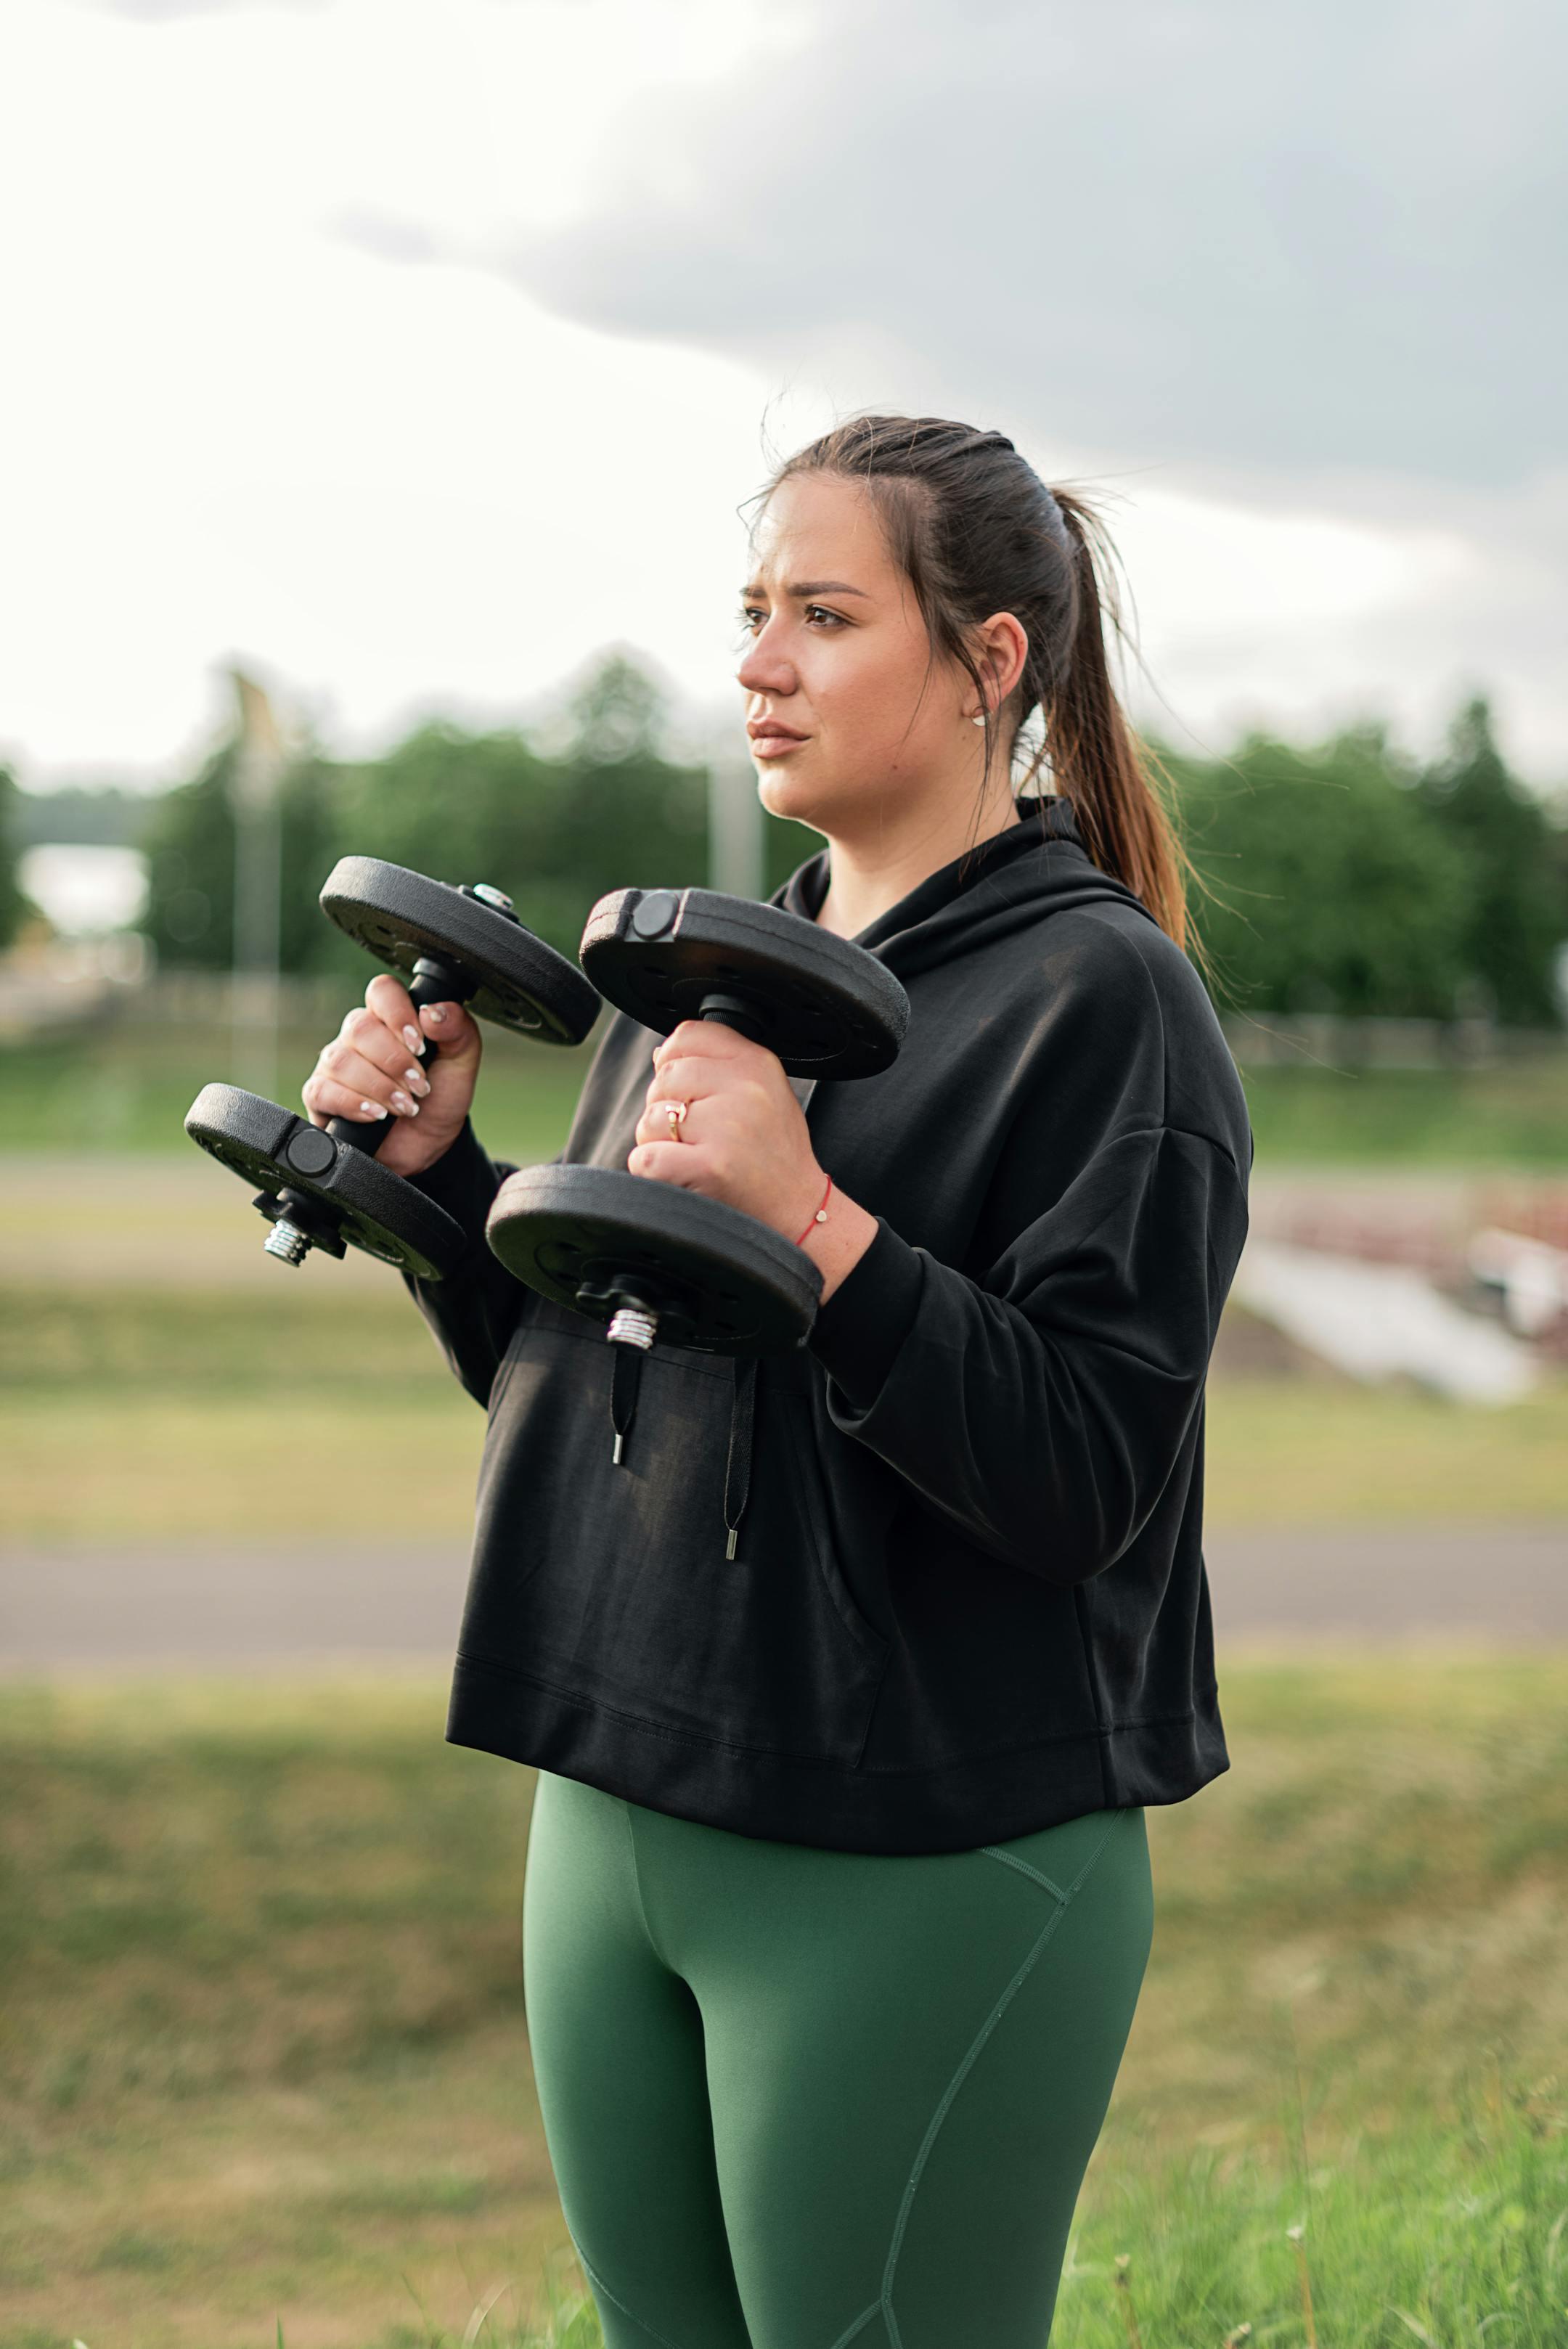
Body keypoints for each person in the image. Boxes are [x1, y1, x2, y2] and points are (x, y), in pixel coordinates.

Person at [302, 414, 1253, 2349]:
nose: (758, 663)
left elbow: (1085, 1474)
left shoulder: (1105, 1002)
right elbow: (600, 1391)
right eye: (753, 611)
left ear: (993, 661)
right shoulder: (702, 986)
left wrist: (815, 1221)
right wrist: (449, 1199)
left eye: (825, 614)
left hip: (921, 1848)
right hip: (623, 1806)